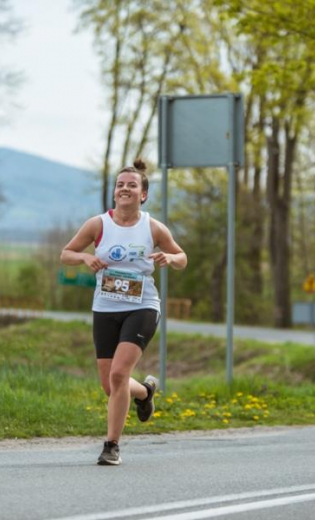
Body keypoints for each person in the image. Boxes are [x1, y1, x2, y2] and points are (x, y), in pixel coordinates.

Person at [61, 158, 187, 466]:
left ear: (143, 194)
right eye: (120, 185)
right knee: (110, 384)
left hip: (142, 306)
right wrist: (85, 259)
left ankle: (111, 446)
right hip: (105, 308)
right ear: (114, 192)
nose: (125, 189)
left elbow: (182, 256)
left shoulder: (152, 227)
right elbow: (66, 254)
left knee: (119, 374)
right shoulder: (98, 225)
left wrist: (169, 260)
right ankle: (144, 392)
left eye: (132, 185)